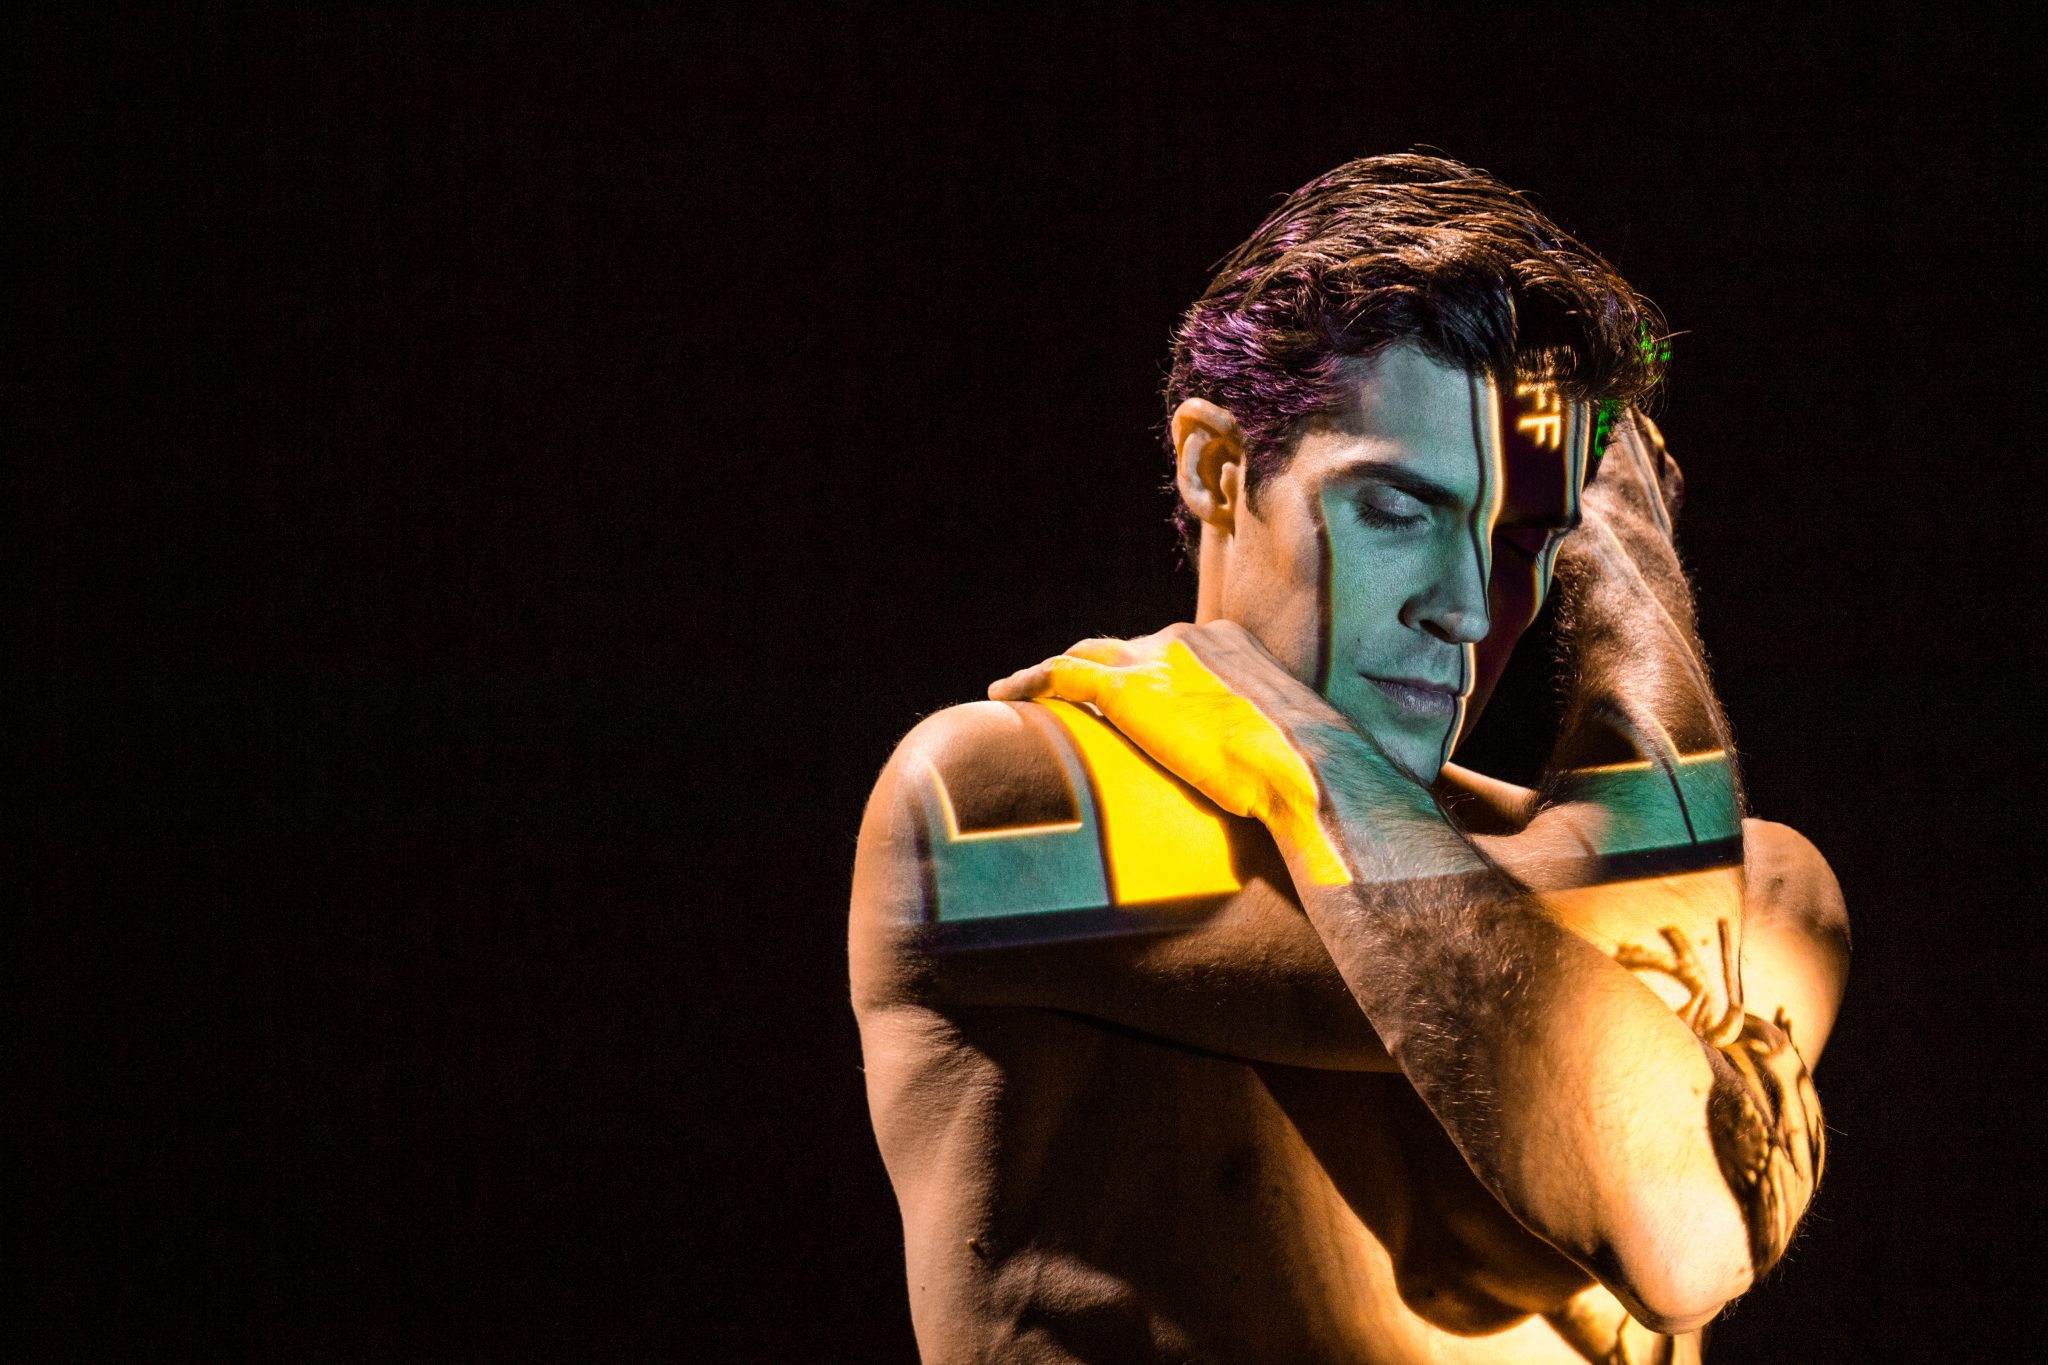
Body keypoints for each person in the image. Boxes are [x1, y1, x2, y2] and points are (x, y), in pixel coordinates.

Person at [848, 154, 1848, 1364]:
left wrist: (1306, 744)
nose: (1466, 608)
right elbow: (1672, 1212)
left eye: (1527, 538)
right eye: (1398, 509)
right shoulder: (1005, 811)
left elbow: (1665, 1212)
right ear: (1215, 468)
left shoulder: (1778, 888)